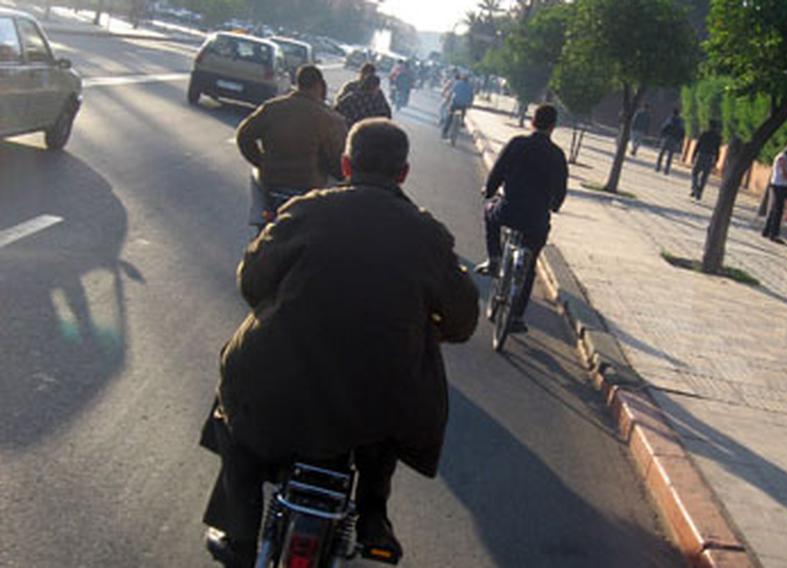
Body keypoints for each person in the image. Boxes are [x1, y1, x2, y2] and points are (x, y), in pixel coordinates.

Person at [202, 119, 480, 567]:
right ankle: (373, 512)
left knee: (233, 416)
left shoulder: (308, 209)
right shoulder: (429, 236)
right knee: (385, 421)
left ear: (347, 164)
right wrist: (422, 329)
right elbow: (464, 321)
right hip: (381, 403)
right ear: (403, 173)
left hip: (278, 385)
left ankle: (240, 537)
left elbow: (252, 282)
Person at [475, 105, 568, 332]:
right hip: (536, 220)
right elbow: (560, 191)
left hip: (509, 210)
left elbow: (498, 171)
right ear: (553, 127)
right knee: (529, 266)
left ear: (532, 121)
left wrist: (490, 191)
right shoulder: (557, 155)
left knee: (490, 211)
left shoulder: (518, 144)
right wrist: (553, 205)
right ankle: (516, 317)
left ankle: (495, 257)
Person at [236, 65, 347, 230]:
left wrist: (262, 162)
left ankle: (260, 218)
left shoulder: (272, 108)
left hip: (272, 180)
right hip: (309, 187)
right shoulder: (331, 119)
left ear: (298, 82)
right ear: (320, 86)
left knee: (255, 176)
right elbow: (337, 162)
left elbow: (243, 136)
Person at [761, 140, 787, 243]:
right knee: (778, 210)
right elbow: (784, 173)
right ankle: (774, 234)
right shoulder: (783, 157)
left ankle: (766, 231)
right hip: (779, 185)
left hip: (781, 185)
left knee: (774, 209)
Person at [690, 119, 722, 201]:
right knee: (704, 176)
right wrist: (716, 160)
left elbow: (698, 145)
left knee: (695, 173)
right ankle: (700, 192)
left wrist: (693, 155)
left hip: (701, 155)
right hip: (710, 157)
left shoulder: (704, 134)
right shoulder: (718, 137)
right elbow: (717, 149)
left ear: (709, 125)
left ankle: (695, 188)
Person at [441, 73, 474, 139]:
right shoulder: (470, 87)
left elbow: (451, 92)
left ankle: (444, 132)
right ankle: (461, 121)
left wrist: (448, 98)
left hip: (455, 104)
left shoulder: (457, 84)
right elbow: (472, 97)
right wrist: (470, 104)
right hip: (463, 106)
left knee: (449, 117)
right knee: (462, 114)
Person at [655, 108, 685, 175]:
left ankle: (658, 166)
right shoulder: (681, 122)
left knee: (662, 153)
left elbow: (664, 127)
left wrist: (662, 135)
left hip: (667, 138)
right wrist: (679, 140)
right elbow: (682, 132)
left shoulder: (670, 119)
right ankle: (667, 169)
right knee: (670, 155)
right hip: (674, 140)